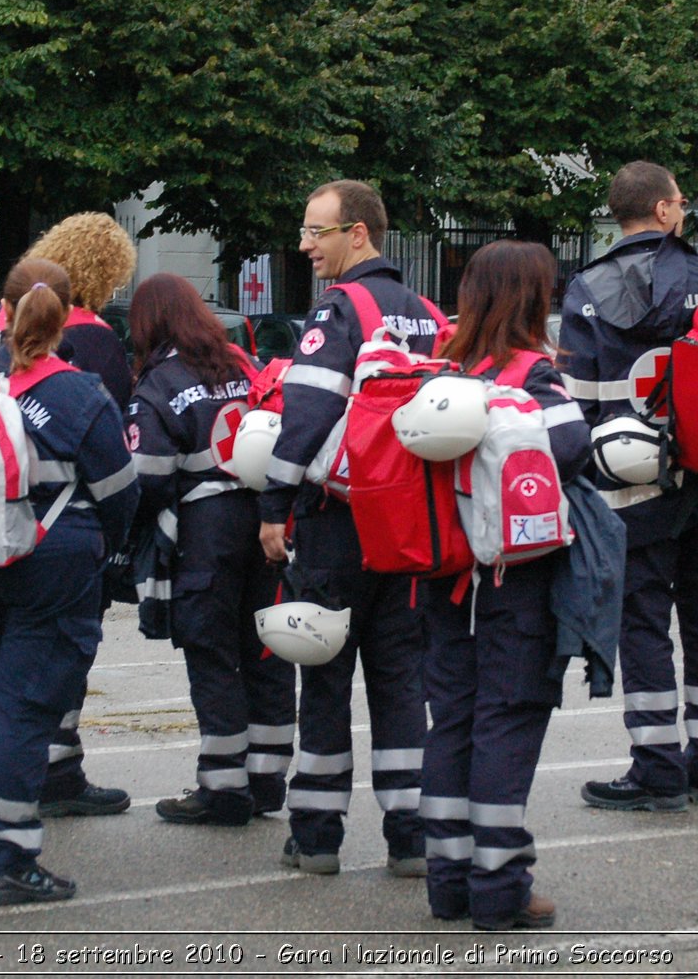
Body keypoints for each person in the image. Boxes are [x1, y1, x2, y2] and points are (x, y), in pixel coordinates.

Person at [0, 260, 139, 905]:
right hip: (49, 561)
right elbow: (119, 492)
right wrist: (105, 548)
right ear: (69, 313)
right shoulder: (78, 391)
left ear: (4, 306)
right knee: (25, 709)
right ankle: (6, 857)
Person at [256, 179, 442, 877]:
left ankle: (316, 835)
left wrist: (275, 503)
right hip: (408, 528)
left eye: (316, 232)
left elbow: (304, 410)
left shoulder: (340, 309)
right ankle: (412, 834)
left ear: (356, 232)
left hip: (338, 523)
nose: (305, 247)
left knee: (325, 675)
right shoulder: (427, 312)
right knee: (402, 680)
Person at [557, 160, 698, 812]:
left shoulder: (586, 287)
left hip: (632, 490)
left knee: (641, 627)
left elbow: (577, 400)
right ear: (663, 211)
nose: (685, 209)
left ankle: (657, 768)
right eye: (680, 201)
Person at [419, 241, 591, 930]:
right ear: (532, 298)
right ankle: (500, 889)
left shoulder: (440, 370)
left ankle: (448, 881)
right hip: (514, 581)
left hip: (442, 580)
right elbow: (575, 452)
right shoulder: (533, 375)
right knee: (507, 723)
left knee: (452, 723)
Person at [127, 273, 295, 826]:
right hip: (265, 518)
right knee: (266, 648)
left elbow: (147, 475)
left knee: (212, 649)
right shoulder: (240, 363)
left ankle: (223, 788)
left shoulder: (159, 380)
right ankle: (267, 782)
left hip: (205, 528)